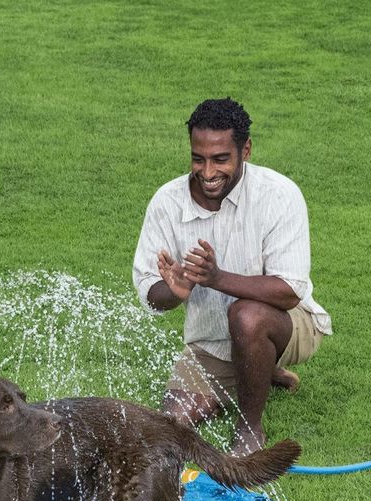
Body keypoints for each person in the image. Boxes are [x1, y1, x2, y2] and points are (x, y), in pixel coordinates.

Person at [133, 98, 331, 455]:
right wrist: (174, 292)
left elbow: (289, 292)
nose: (207, 172)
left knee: (247, 316)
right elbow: (150, 290)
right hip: (210, 342)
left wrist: (216, 278)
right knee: (170, 422)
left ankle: (249, 428)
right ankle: (258, 369)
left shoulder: (279, 195)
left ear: (246, 150)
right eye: (198, 158)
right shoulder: (167, 201)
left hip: (290, 324)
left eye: (220, 159)